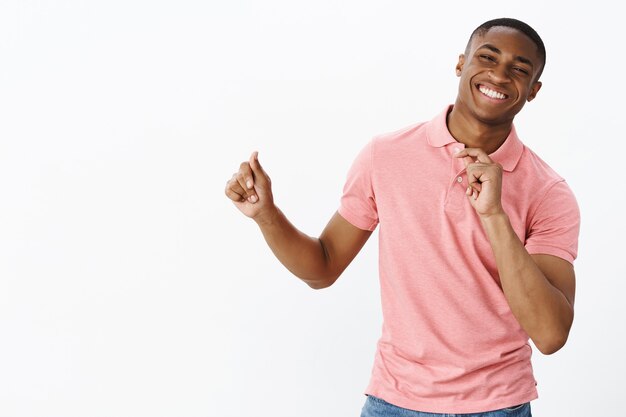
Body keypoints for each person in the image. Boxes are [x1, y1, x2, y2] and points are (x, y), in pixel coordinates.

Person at [224, 17, 579, 417]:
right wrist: (266, 215)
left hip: (498, 406)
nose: (499, 74)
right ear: (461, 64)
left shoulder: (549, 191)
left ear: (533, 91)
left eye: (519, 69)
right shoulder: (386, 155)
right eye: (487, 57)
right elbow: (322, 268)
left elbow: (550, 335)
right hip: (394, 402)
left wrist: (494, 214)